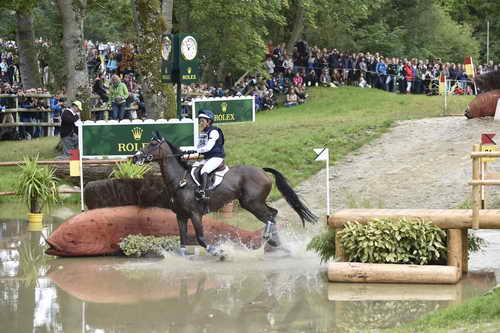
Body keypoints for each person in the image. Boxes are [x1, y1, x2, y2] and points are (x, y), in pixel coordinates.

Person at [187, 110, 225, 201]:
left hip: (216, 157)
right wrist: (188, 151)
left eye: (202, 121)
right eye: (200, 121)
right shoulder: (203, 132)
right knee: (194, 167)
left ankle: (203, 192)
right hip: (207, 158)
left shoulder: (214, 131)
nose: (201, 123)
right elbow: (199, 147)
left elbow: (208, 148)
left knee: (204, 170)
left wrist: (195, 150)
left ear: (209, 121)